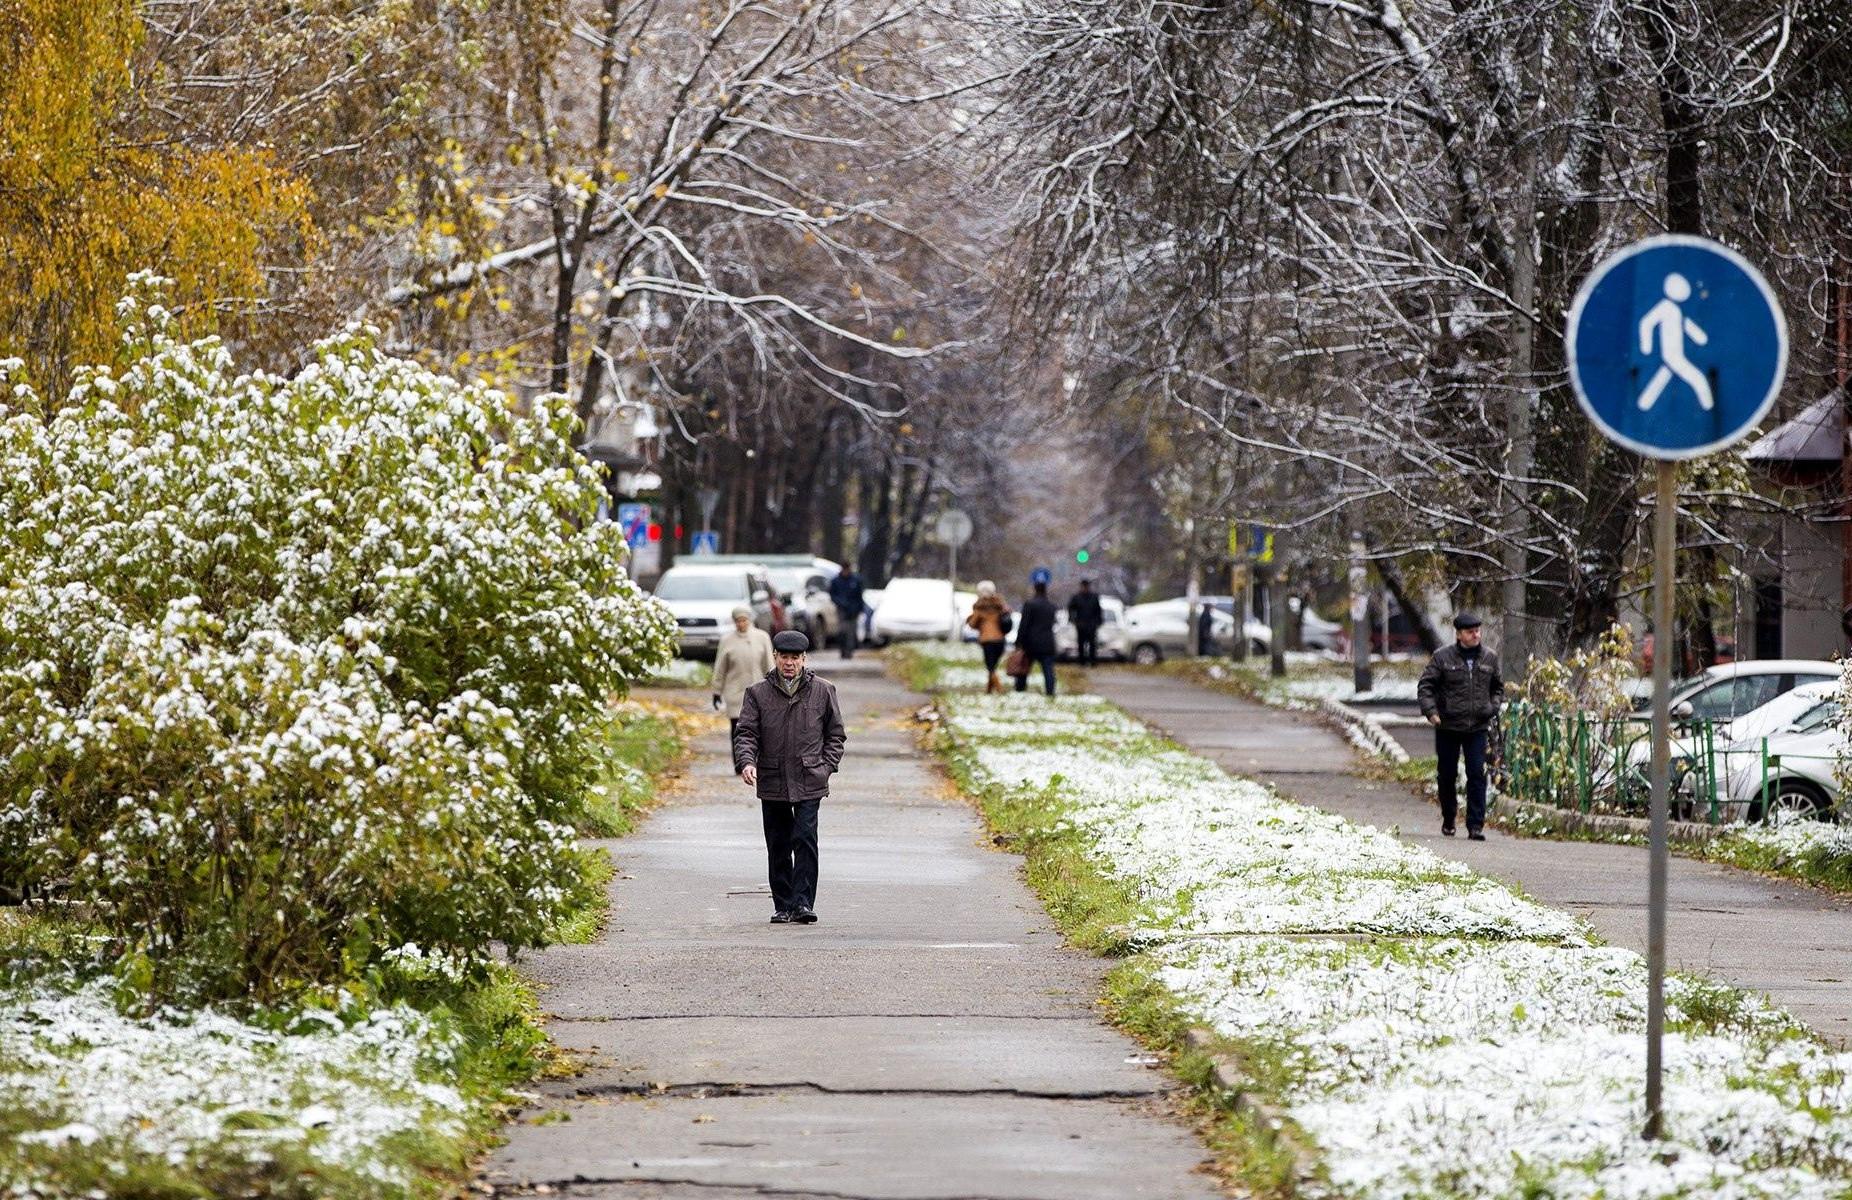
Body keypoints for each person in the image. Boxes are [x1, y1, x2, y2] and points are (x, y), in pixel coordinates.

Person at [734, 631, 846, 924]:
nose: (789, 663)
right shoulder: (757, 693)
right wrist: (747, 762)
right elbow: (746, 733)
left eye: (795, 658)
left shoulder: (823, 690)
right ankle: (783, 905)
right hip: (772, 778)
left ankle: (803, 904)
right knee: (779, 843)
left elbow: (836, 735)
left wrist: (825, 767)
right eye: (784, 657)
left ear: (804, 659)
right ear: (775, 658)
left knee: (805, 839)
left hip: (810, 778)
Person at [1417, 612, 1504, 841]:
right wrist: (1432, 712)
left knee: (1477, 773)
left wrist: (1492, 707)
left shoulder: (1489, 658)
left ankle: (1475, 825)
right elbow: (1426, 686)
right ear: (1458, 634)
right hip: (1448, 725)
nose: (1475, 635)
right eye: (1470, 631)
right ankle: (1449, 816)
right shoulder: (1442, 658)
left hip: (1477, 726)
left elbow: (1497, 687)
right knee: (1447, 774)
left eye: (1477, 630)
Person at [712, 606, 774, 742]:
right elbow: (720, 668)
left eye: (744, 620)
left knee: (758, 732)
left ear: (749, 620)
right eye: (738, 621)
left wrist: (774, 688)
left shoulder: (762, 637)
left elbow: (769, 665)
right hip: (735, 693)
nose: (741, 624)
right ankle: (739, 762)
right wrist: (717, 691)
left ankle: (755, 762)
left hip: (759, 693)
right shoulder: (727, 640)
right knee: (738, 733)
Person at [966, 580, 1013, 693]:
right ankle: (988, 690)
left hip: (987, 641)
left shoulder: (980, 608)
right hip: (1000, 640)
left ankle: (999, 688)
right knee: (993, 666)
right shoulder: (999, 606)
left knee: (990, 667)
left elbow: (972, 624)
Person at [1014, 581, 1058, 697]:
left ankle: (1020, 689)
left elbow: (1024, 625)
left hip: (1031, 643)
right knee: (1048, 670)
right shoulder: (1051, 606)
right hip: (1047, 642)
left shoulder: (1030, 605)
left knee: (1023, 668)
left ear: (1035, 589)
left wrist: (1019, 642)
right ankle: (1050, 691)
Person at [828, 567, 866, 659]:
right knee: (842, 631)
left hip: (853, 610)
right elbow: (832, 595)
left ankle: (849, 651)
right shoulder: (836, 581)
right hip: (842, 610)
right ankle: (843, 650)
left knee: (851, 632)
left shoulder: (855, 580)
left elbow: (859, 596)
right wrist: (841, 603)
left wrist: (860, 609)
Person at [1067, 580, 1104, 668]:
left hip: (1091, 625)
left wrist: (1098, 622)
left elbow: (1098, 610)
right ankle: (1081, 662)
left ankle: (1092, 661)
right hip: (1081, 624)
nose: (1085, 589)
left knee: (1092, 644)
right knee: (1081, 645)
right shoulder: (1076, 597)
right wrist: (1073, 620)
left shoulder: (1094, 597)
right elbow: (1070, 609)